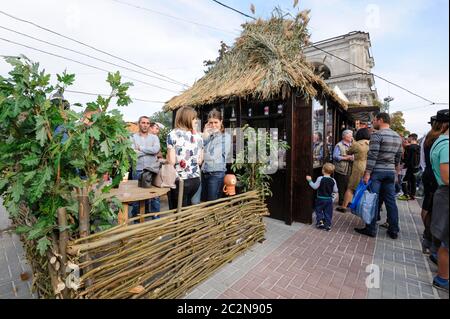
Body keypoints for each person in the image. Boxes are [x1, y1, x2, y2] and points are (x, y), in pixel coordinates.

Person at [356, 113, 403, 239]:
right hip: (390, 172)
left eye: (375, 120)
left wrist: (367, 173)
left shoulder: (377, 135)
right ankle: (394, 230)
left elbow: (372, 156)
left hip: (377, 172)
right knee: (391, 201)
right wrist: (396, 173)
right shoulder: (397, 136)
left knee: (373, 200)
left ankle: (370, 228)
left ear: (380, 120)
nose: (373, 122)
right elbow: (398, 157)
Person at [167, 107, 203, 209]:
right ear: (187, 118)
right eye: (194, 118)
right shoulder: (198, 136)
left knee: (177, 212)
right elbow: (200, 161)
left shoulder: (172, 134)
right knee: (186, 209)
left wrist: (166, 159)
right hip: (195, 180)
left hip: (180, 180)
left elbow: (172, 161)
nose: (196, 120)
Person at [429, 109, 449, 292]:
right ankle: (443, 278)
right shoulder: (447, 144)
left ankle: (443, 276)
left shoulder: (438, 141)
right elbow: (447, 175)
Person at [420, 115, 445, 255]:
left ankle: (427, 237)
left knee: (427, 205)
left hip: (429, 173)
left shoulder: (428, 138)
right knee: (435, 209)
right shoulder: (441, 140)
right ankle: (431, 239)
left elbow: (423, 161)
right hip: (438, 176)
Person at [130, 116, 161, 218]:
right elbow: (133, 153)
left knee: (155, 195)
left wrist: (141, 148)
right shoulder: (133, 137)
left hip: (152, 170)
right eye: (143, 123)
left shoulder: (154, 138)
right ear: (139, 124)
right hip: (138, 170)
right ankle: (136, 219)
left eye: (147, 123)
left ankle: (156, 219)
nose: (145, 125)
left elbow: (156, 150)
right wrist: (149, 152)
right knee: (137, 196)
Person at [336, 128, 370, 213]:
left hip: (358, 166)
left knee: (351, 187)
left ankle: (344, 207)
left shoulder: (358, 144)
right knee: (365, 186)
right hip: (368, 166)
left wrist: (353, 142)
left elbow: (349, 151)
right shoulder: (371, 143)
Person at [201, 109, 232, 201]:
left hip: (216, 174)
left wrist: (200, 154)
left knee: (212, 204)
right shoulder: (208, 136)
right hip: (205, 172)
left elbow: (212, 156)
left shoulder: (225, 137)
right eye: (210, 123)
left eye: (216, 122)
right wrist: (205, 132)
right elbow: (199, 147)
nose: (213, 125)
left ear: (221, 122)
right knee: (204, 202)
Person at [306, 163, 338, 232]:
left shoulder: (320, 178)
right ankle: (328, 225)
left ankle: (320, 222)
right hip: (329, 199)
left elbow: (315, 187)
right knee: (328, 212)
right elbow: (336, 190)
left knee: (319, 210)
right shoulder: (333, 180)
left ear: (323, 170)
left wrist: (310, 181)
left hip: (320, 198)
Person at [333, 130, 354, 206]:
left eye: (351, 135)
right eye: (350, 136)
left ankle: (347, 201)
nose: (351, 137)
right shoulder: (339, 145)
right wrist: (346, 158)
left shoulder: (353, 144)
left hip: (350, 169)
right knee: (342, 187)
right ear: (344, 136)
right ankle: (341, 202)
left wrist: (352, 157)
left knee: (349, 186)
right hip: (341, 169)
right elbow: (335, 156)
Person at [398, 133, 420, 200]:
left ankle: (406, 194)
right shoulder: (419, 147)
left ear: (411, 138)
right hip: (416, 167)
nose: (408, 139)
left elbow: (408, 158)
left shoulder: (410, 148)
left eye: (408, 138)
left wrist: (403, 166)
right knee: (413, 182)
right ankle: (412, 195)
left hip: (410, 167)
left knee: (404, 180)